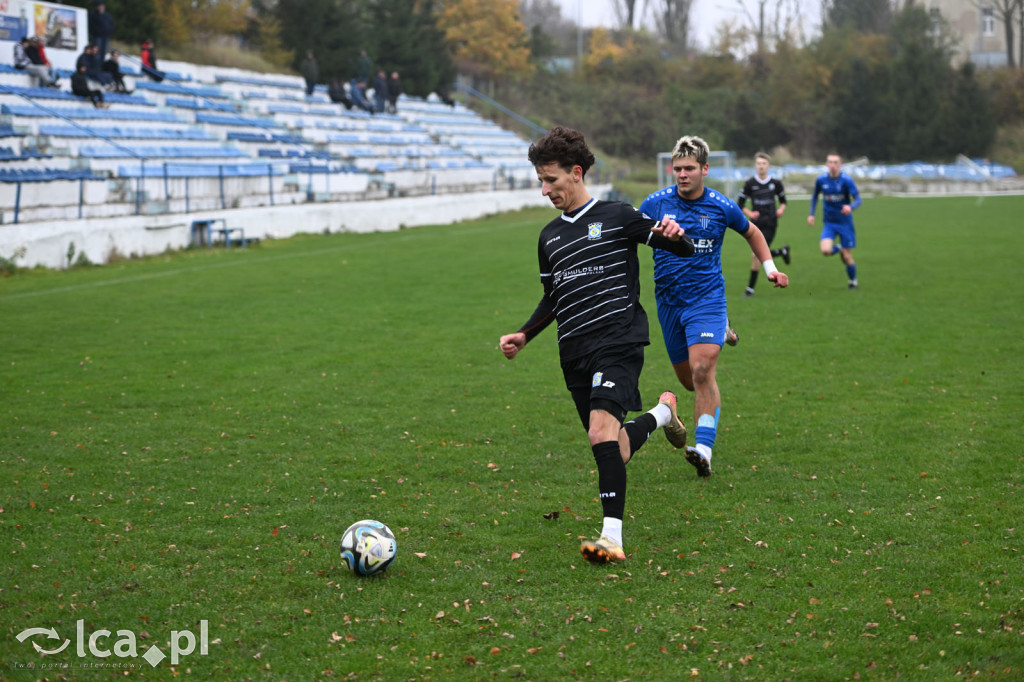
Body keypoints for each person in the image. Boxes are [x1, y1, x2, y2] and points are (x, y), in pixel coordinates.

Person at [498, 126, 695, 564]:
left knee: (599, 432)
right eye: (540, 182)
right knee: (613, 447)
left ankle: (612, 538)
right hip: (574, 352)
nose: (545, 190)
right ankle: (663, 414)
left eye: (551, 180)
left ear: (576, 172)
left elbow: (677, 247)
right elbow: (554, 296)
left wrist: (674, 232)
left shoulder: (618, 215)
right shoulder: (548, 237)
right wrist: (524, 334)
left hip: (618, 339)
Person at [639, 135, 789, 479]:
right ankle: (721, 330)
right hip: (669, 303)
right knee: (690, 381)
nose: (682, 174)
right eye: (677, 168)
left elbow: (752, 232)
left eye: (689, 168)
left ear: (705, 169)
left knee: (703, 370)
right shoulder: (655, 203)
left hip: (706, 299)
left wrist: (770, 269)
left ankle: (704, 449)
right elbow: (630, 231)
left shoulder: (721, 206)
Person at [737, 152, 790, 297]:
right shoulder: (750, 184)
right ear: (755, 166)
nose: (761, 166)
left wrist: (780, 210)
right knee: (757, 254)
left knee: (755, 255)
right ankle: (781, 252)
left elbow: (784, 201)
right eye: (759, 164)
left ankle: (750, 289)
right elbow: (740, 204)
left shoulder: (776, 183)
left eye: (764, 164)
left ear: (769, 166)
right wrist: (750, 213)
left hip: (771, 223)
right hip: (756, 225)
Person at [808, 153, 862, 289]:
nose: (833, 165)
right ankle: (838, 248)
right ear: (827, 164)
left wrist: (850, 207)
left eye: (835, 162)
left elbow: (858, 199)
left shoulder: (846, 180)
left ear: (840, 164)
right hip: (830, 223)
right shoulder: (821, 180)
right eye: (830, 162)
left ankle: (853, 280)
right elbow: (815, 196)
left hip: (845, 223)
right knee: (825, 250)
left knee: (847, 258)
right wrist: (811, 214)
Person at [88, 1, 115, 66]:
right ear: (97, 7)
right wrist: (98, 32)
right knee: (97, 52)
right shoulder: (93, 15)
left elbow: (112, 25)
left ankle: (101, 66)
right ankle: (95, 66)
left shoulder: (107, 15)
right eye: (99, 6)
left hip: (106, 37)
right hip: (97, 37)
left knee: (103, 52)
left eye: (102, 6)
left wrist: (109, 31)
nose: (101, 7)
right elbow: (91, 26)